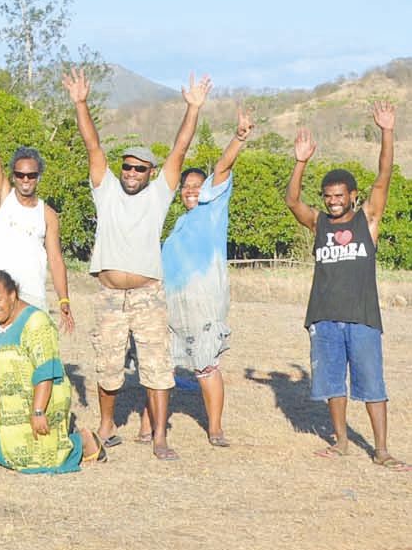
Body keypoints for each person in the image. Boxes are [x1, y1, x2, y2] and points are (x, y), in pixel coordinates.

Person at [63, 67, 209, 462]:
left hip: (147, 295)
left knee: (157, 367)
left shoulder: (159, 195)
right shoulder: (105, 190)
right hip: (110, 296)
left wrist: (193, 108)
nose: (130, 173)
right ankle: (107, 426)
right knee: (108, 365)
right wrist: (80, 103)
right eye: (126, 166)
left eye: (138, 169)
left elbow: (179, 148)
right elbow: (92, 145)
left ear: (149, 173)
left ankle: (160, 436)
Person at [285, 103, 406, 471]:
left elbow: (383, 176)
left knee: (372, 386)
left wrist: (387, 131)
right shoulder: (318, 223)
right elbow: (292, 201)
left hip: (362, 318)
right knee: (332, 384)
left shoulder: (367, 220)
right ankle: (340, 443)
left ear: (353, 195)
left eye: (340, 195)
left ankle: (381, 450)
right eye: (328, 196)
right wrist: (301, 162)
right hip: (324, 318)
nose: (334, 202)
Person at [152, 107, 255, 448]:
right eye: (186, 187)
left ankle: (215, 428)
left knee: (206, 365)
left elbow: (223, 167)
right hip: (174, 305)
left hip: (204, 302)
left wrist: (238, 139)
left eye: (197, 185)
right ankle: (149, 427)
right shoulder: (179, 225)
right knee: (161, 365)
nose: (191, 190)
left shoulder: (214, 208)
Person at [0, 270, 103, 473]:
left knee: (37, 461)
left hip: (36, 403)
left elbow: (45, 370)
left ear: (13, 295)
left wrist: (38, 411)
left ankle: (83, 442)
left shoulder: (36, 322)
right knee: (0, 457)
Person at [0, 77, 72, 331]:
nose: (25, 180)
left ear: (38, 176)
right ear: (13, 176)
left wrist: (63, 298)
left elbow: (56, 259)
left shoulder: (47, 214)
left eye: (31, 175)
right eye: (20, 175)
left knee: (30, 366)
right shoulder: (2, 197)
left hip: (32, 297)